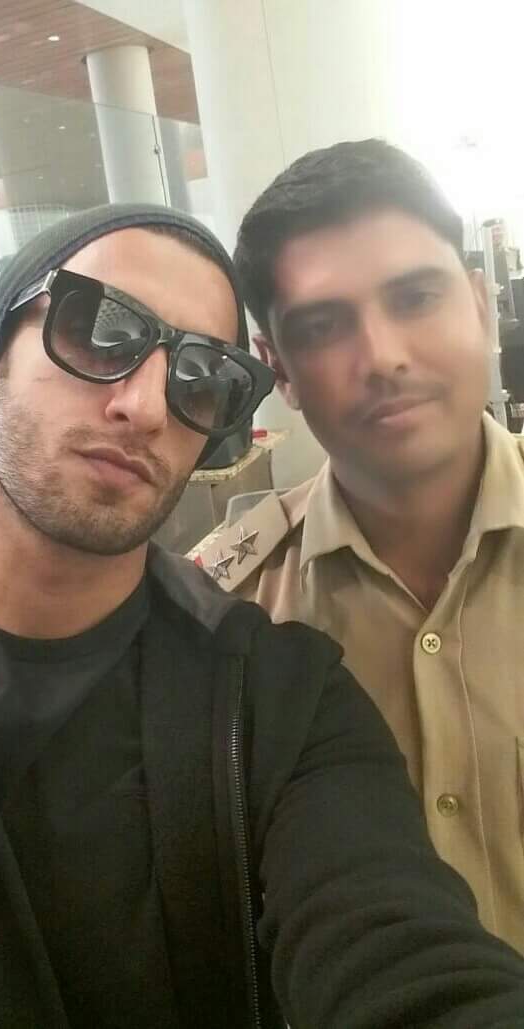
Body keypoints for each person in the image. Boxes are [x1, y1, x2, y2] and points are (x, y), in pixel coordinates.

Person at [0, 203, 524, 1029]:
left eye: (199, 378)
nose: (146, 407)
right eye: (99, 331)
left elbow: (389, 941)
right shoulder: (254, 580)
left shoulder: (273, 695)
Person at [199, 138, 524, 956]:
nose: (381, 357)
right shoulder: (224, 615)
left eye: (415, 297)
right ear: (278, 369)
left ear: (480, 305)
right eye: (321, 326)